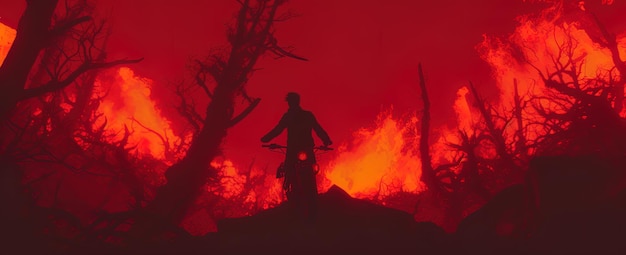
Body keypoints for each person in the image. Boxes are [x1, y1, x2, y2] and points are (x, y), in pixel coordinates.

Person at [261, 92, 332, 219]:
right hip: (307, 150)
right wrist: (326, 140)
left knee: (290, 170)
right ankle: (308, 198)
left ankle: (296, 196)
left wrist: (266, 139)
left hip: (293, 151)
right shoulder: (307, 115)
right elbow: (318, 129)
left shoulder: (288, 116)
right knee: (310, 172)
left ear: (290, 102)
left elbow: (278, 129)